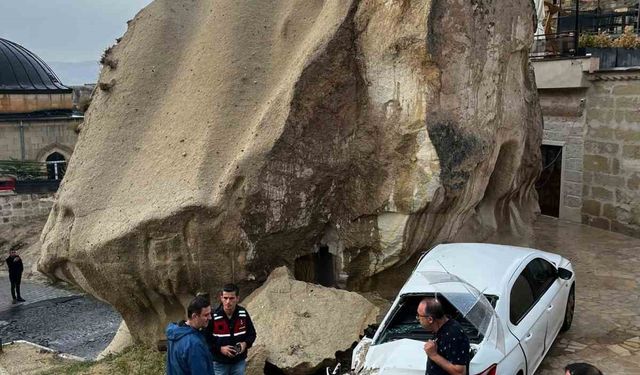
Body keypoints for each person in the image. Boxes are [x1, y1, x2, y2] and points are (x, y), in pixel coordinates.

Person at [204, 283, 256, 375]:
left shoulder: (243, 313)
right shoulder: (213, 316)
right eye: (225, 298)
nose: (228, 301)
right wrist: (220, 349)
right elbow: (206, 339)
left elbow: (252, 334)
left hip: (239, 362)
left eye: (231, 298)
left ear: (237, 298)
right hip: (219, 363)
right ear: (221, 298)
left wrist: (245, 344)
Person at [417, 297, 469, 375]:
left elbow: (460, 372)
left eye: (419, 316)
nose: (418, 318)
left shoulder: (454, 334)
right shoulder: (440, 328)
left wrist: (434, 355)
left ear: (430, 319)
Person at [166, 295, 214, 375]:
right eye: (206, 315)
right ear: (194, 316)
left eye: (210, 314)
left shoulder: (175, 332)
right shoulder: (194, 343)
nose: (210, 317)